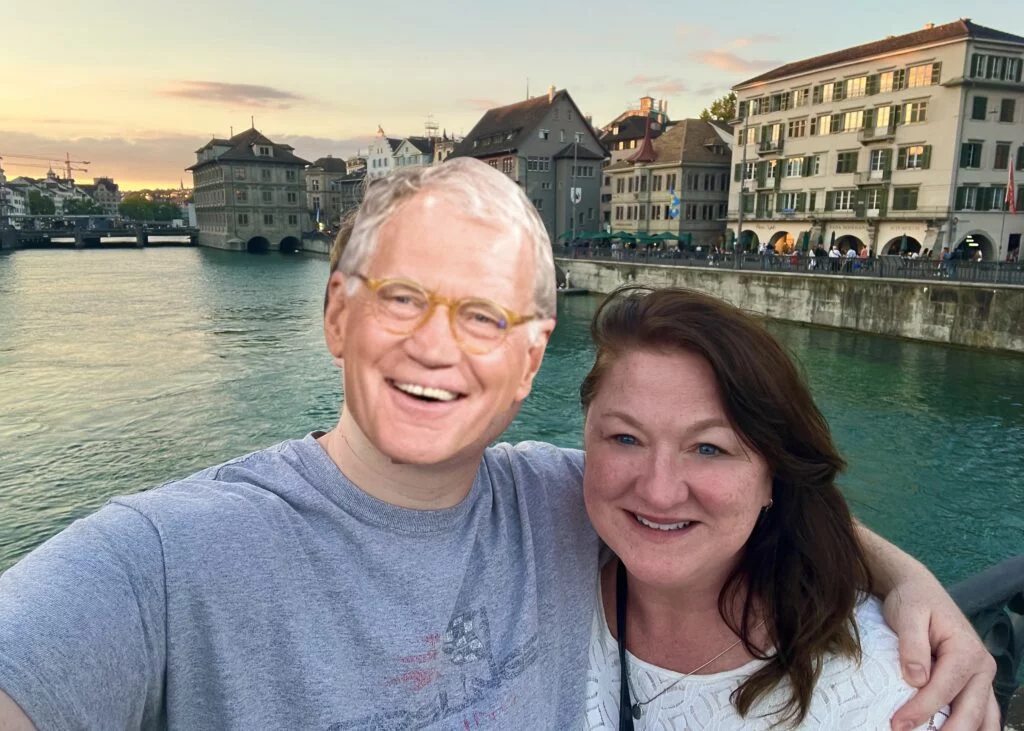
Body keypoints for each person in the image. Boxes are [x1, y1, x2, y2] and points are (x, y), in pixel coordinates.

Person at [0, 160, 998, 730]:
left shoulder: (567, 496)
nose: (434, 343)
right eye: (401, 297)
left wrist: (912, 584)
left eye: (481, 315)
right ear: (338, 312)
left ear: (528, 362)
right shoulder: (164, 554)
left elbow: (722, 499)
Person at [578, 287, 960, 729]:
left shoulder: (882, 692)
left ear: (774, 475)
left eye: (708, 448)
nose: (659, 491)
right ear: (584, 440)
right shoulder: (544, 566)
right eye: (625, 438)